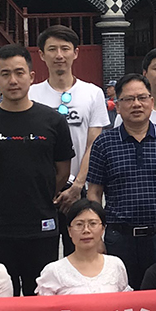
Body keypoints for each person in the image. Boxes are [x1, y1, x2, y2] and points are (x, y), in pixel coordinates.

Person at [0, 43, 75, 295]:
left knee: (41, 297)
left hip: (41, 227)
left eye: (19, 72)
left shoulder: (53, 121)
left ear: (31, 77)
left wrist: (43, 194)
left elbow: (62, 171)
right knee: (2, 299)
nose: (13, 80)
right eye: (5, 74)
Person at [83, 73, 156, 288]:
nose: (136, 104)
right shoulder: (104, 143)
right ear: (117, 105)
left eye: (142, 98)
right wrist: (97, 238)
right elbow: (94, 192)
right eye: (129, 99)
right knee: (121, 296)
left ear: (151, 102)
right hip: (119, 238)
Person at [28, 25, 110, 213]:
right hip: (41, 188)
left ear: (75, 53)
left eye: (65, 49)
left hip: (81, 187)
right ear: (42, 55)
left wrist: (77, 185)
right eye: (52, 49)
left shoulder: (93, 93)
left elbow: (94, 144)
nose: (59, 55)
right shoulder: (31, 94)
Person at [36, 199, 130, 295]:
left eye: (93, 224)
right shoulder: (53, 271)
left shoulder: (115, 265)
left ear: (102, 229)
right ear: (69, 231)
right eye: (79, 224)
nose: (86, 230)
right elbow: (43, 304)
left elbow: (125, 301)